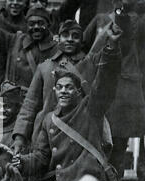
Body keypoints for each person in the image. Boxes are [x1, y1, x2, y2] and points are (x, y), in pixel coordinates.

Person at [14, 27, 122, 181]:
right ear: (55, 91)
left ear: (79, 91)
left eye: (69, 87)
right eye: (60, 87)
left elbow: (105, 83)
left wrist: (111, 48)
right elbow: (41, 158)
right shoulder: (49, 120)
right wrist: (22, 162)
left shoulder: (90, 109)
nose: (63, 91)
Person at [83, 0, 145, 177]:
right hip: (98, 85)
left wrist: (121, 10)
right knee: (95, 141)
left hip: (124, 92)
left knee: (118, 145)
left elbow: (125, 34)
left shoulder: (139, 22)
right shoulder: (101, 19)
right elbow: (85, 45)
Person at [12, 20, 106, 154]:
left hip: (79, 134)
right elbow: (30, 105)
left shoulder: (90, 65)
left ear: (81, 40)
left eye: (75, 36)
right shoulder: (44, 68)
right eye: (66, 35)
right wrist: (19, 137)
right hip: (47, 135)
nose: (70, 39)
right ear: (58, 38)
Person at [0, 6, 58, 90]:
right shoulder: (15, 41)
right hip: (15, 98)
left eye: (41, 23)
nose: (36, 27)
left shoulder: (56, 48)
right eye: (31, 24)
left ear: (48, 24)